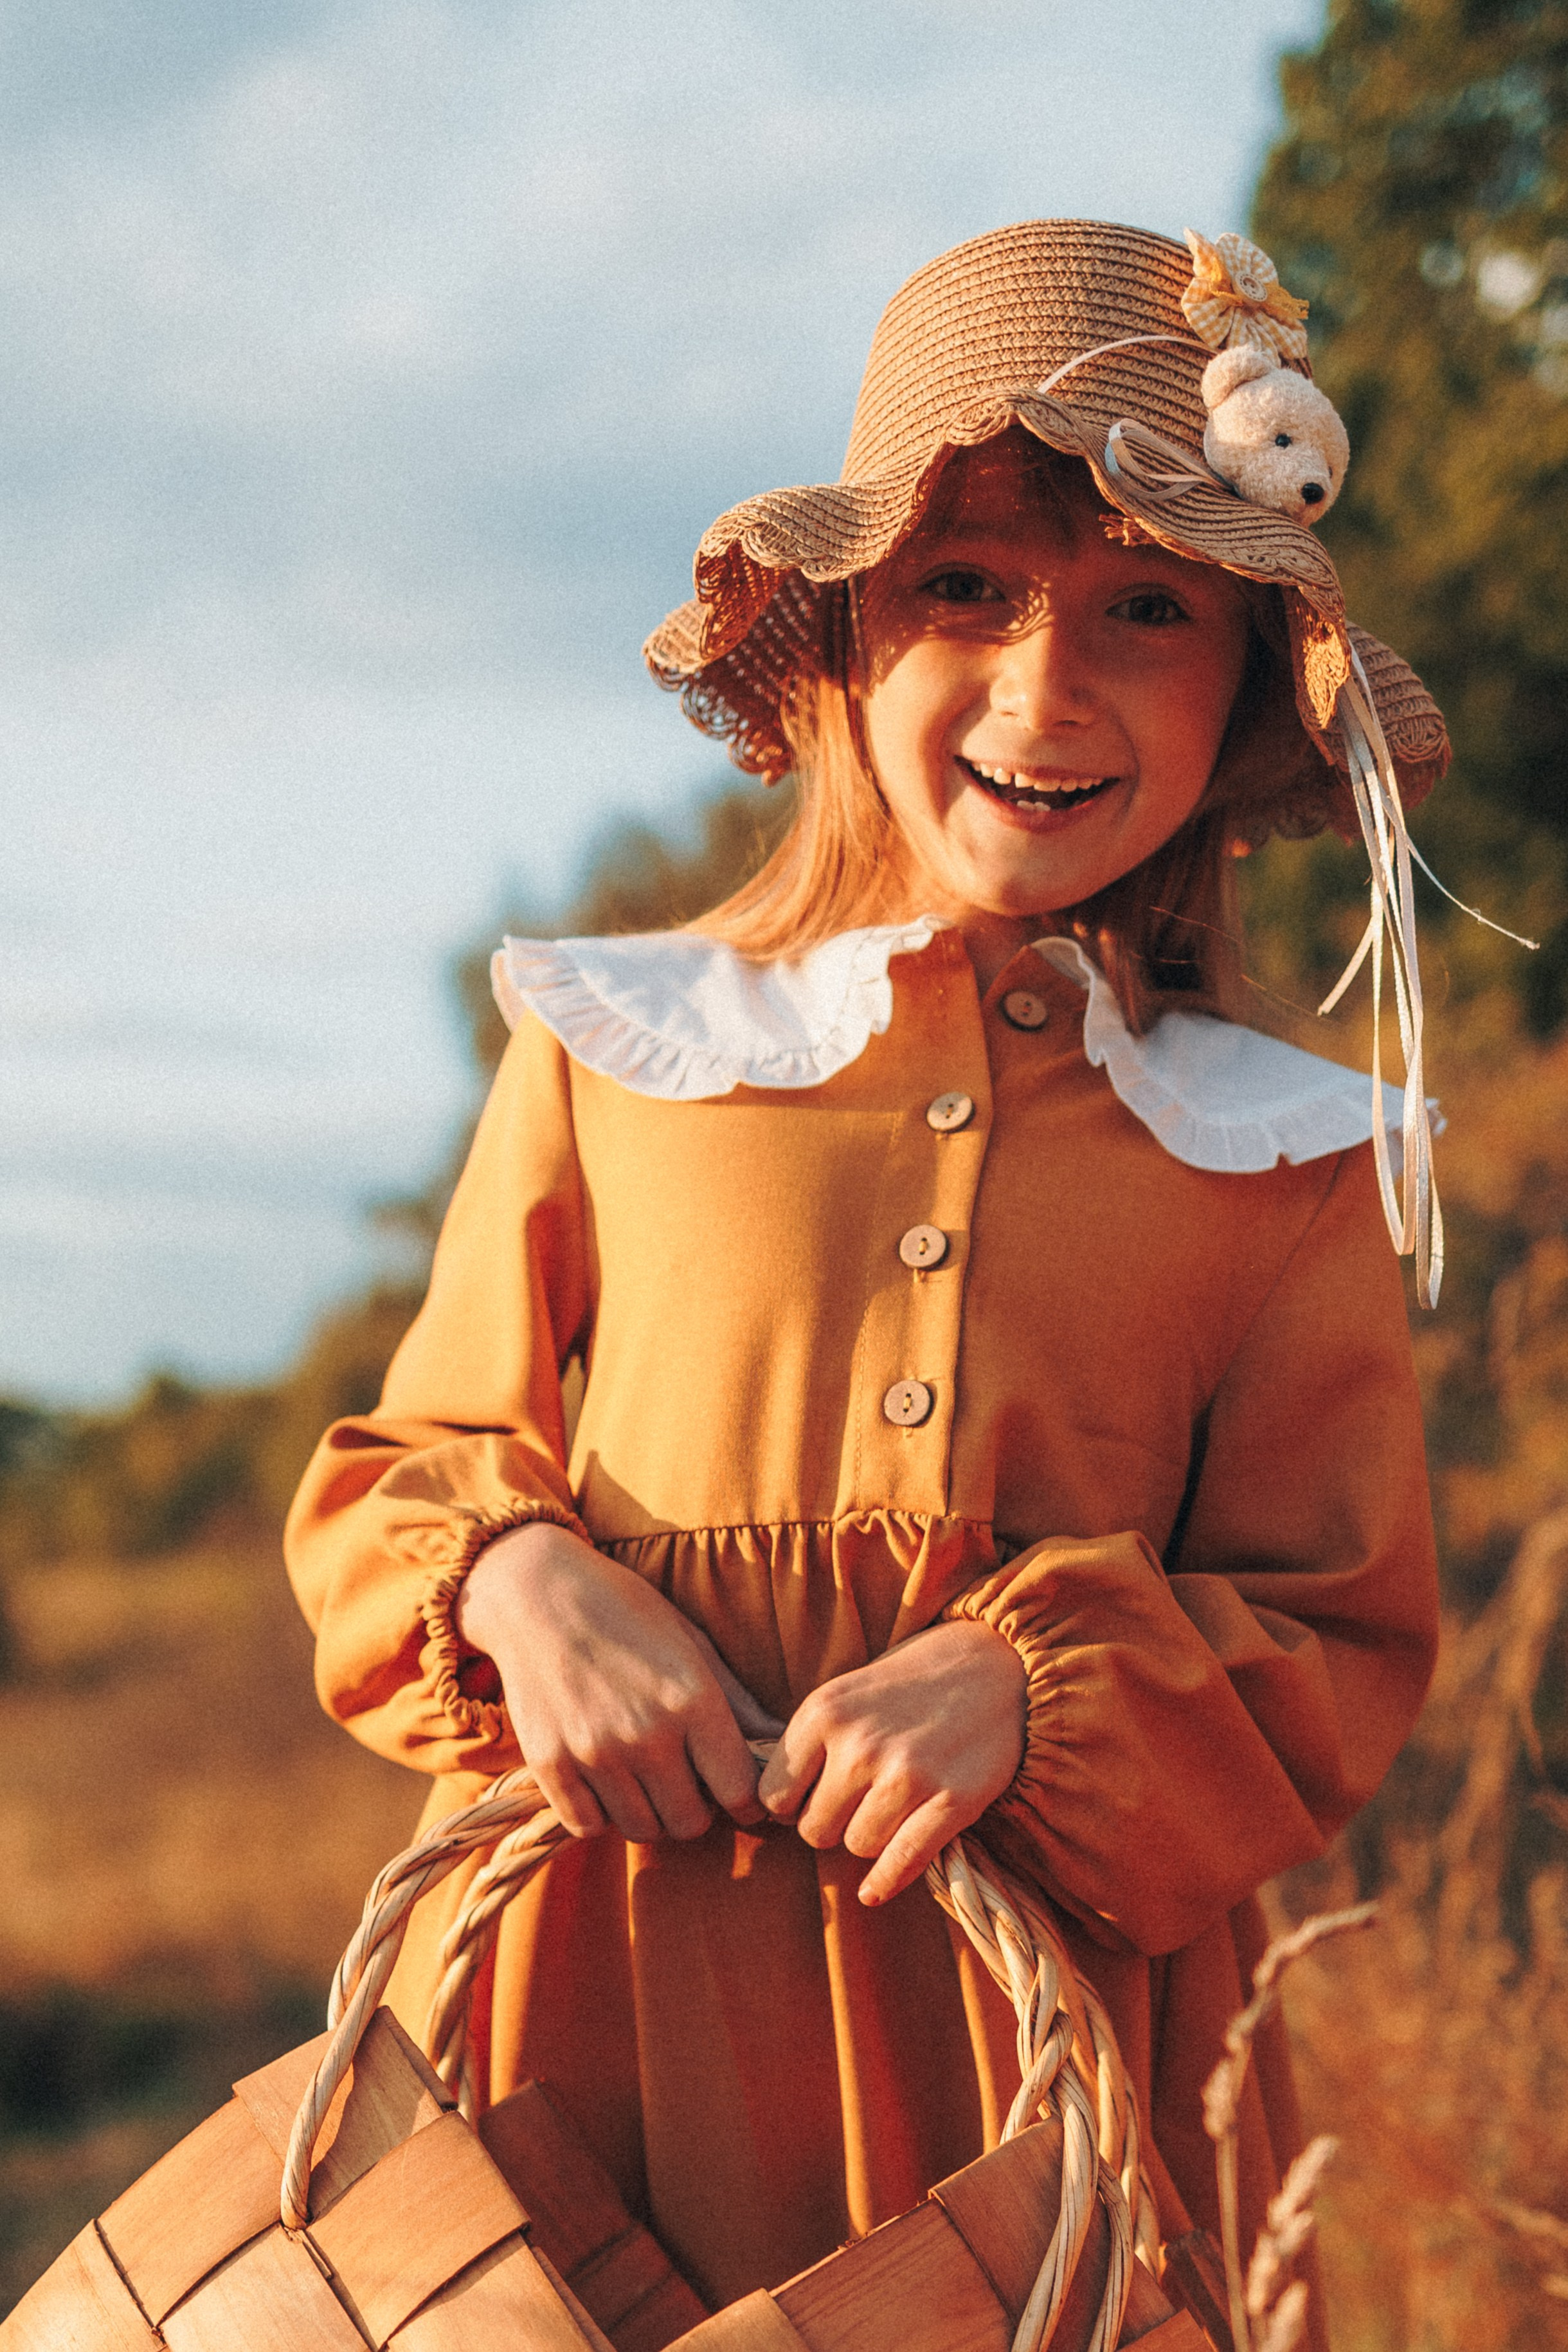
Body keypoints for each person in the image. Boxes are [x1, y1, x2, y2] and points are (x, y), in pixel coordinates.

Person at [285, 220, 1443, 2349]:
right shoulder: (619, 1042)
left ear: (1241, 679)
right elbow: (410, 1468)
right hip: (592, 2012)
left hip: (1046, 2066)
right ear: (835, 644)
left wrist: (1034, 1685)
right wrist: (524, 1582)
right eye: (964, 591)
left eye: (1147, 609)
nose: (1044, 685)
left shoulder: (1282, 1152)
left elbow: (1337, 1631)